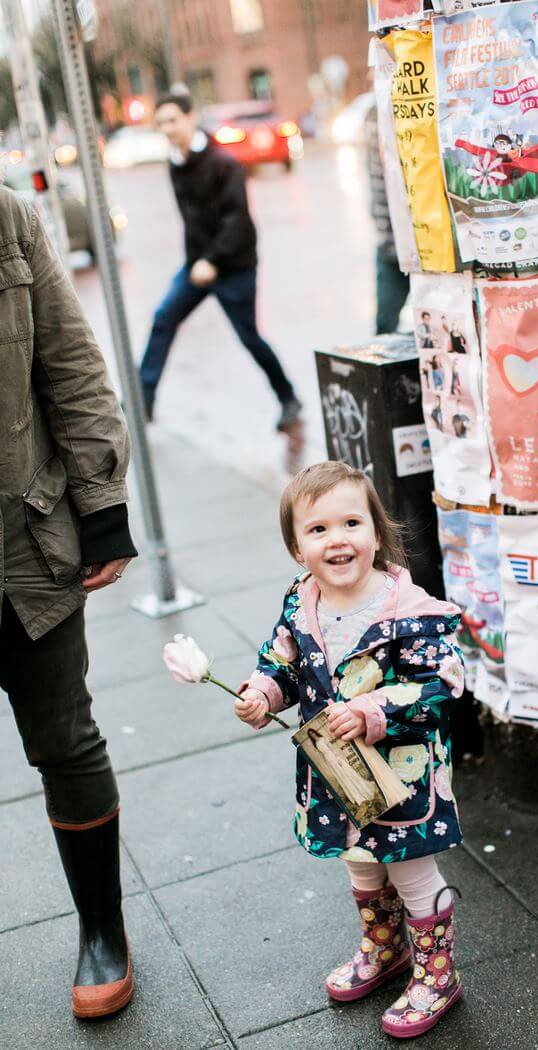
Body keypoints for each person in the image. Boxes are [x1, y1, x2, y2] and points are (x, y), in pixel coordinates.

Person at [235, 461, 465, 1038]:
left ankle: (437, 973)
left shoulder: (410, 615)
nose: (337, 539)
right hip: (339, 777)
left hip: (401, 777)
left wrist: (374, 711)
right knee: (360, 862)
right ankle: (385, 948)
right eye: (317, 530)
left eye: (351, 523)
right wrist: (263, 692)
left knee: (410, 870)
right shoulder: (300, 603)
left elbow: (442, 685)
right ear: (296, 548)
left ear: (376, 534)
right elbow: (282, 662)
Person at [0, 186, 137, 1017]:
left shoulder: (6, 218)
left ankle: (102, 932)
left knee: (66, 739)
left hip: (21, 545)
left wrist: (104, 516)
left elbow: (73, 367)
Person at [139, 92, 301, 430]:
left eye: (173, 120)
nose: (168, 128)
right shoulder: (176, 163)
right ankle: (143, 400)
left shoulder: (222, 163)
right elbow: (192, 219)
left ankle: (288, 398)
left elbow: (237, 220)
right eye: (161, 123)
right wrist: (197, 259)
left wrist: (211, 259)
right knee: (163, 318)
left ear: (190, 118)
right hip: (197, 267)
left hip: (234, 267)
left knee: (250, 338)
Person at [366, 100, 410, 335]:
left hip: (430, 245)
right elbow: (377, 183)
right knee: (384, 329)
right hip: (390, 245)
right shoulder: (374, 114)